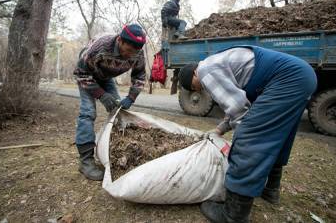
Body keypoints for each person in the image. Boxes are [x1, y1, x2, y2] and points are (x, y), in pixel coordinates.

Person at [178, 46, 317, 223]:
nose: (198, 91)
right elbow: (240, 102)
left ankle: (233, 215)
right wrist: (220, 129)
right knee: (280, 136)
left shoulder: (205, 70)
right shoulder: (218, 64)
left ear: (194, 75)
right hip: (302, 76)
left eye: (194, 87)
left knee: (249, 139)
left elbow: (239, 110)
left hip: (288, 78)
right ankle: (270, 191)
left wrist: (245, 137)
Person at [73, 24, 147, 181]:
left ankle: (116, 152)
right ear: (119, 40)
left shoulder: (137, 53)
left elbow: (139, 76)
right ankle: (86, 161)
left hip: (106, 77)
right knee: (88, 113)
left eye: (133, 53)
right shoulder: (100, 46)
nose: (129, 56)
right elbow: (80, 73)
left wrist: (131, 97)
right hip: (88, 75)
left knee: (117, 110)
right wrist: (101, 94)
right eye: (127, 51)